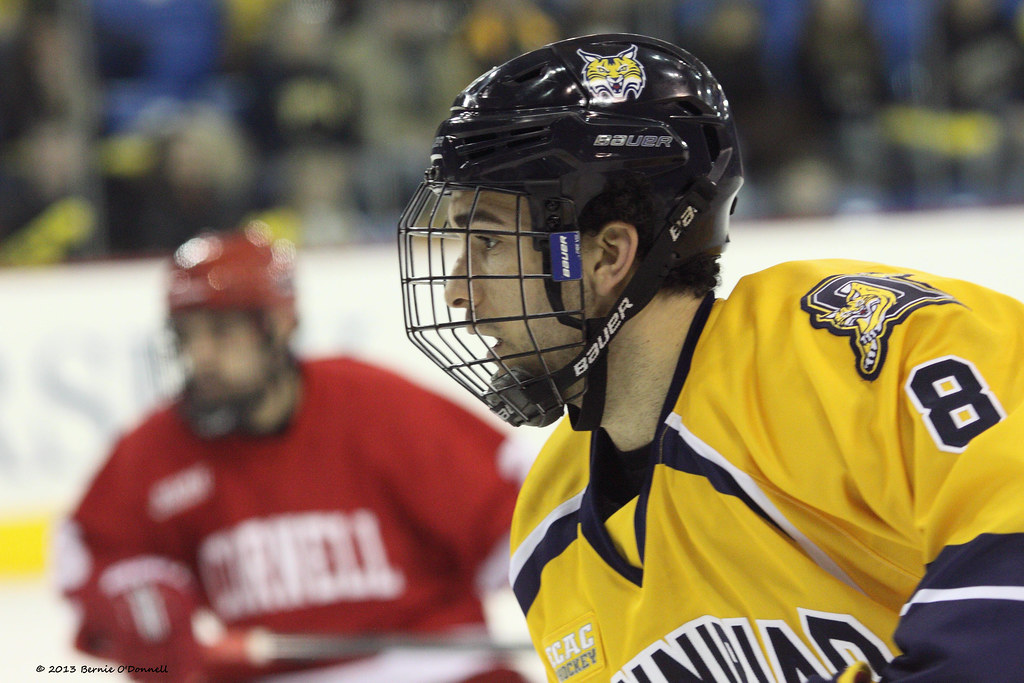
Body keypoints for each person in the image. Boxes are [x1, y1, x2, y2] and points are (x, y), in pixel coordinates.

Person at [396, 33, 1024, 681]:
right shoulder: (547, 530)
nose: (458, 291)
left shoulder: (850, 346)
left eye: (489, 242)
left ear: (609, 255)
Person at [56, 223, 533, 682]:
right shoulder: (161, 447)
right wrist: (130, 593)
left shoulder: (373, 405)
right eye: (187, 336)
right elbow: (85, 549)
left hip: (434, 669)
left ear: (279, 325)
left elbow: (518, 507)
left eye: (221, 333)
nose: (200, 356)